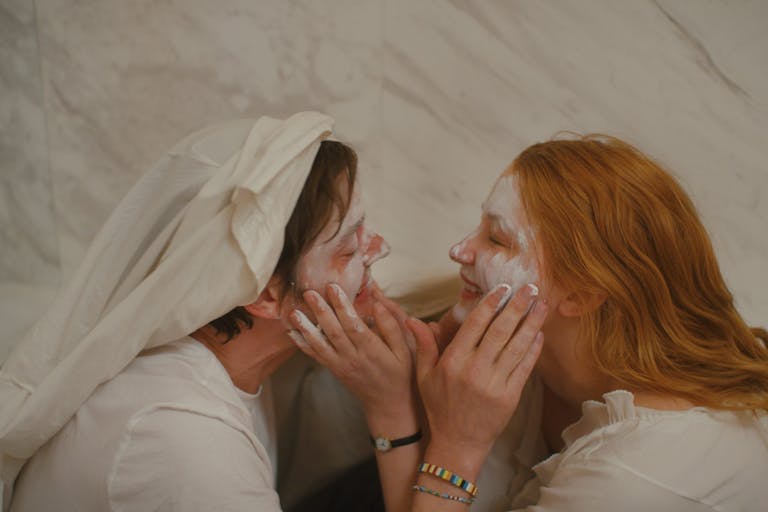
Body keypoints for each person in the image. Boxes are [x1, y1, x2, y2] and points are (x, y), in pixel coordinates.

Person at [291, 134, 768, 511]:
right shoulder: (534, 358)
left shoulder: (632, 479)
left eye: (496, 239)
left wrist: (429, 429)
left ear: (581, 295)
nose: (459, 250)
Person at [0, 112, 398, 511]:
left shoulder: (228, 360)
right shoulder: (185, 440)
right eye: (349, 249)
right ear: (264, 296)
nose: (378, 247)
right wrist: (417, 428)